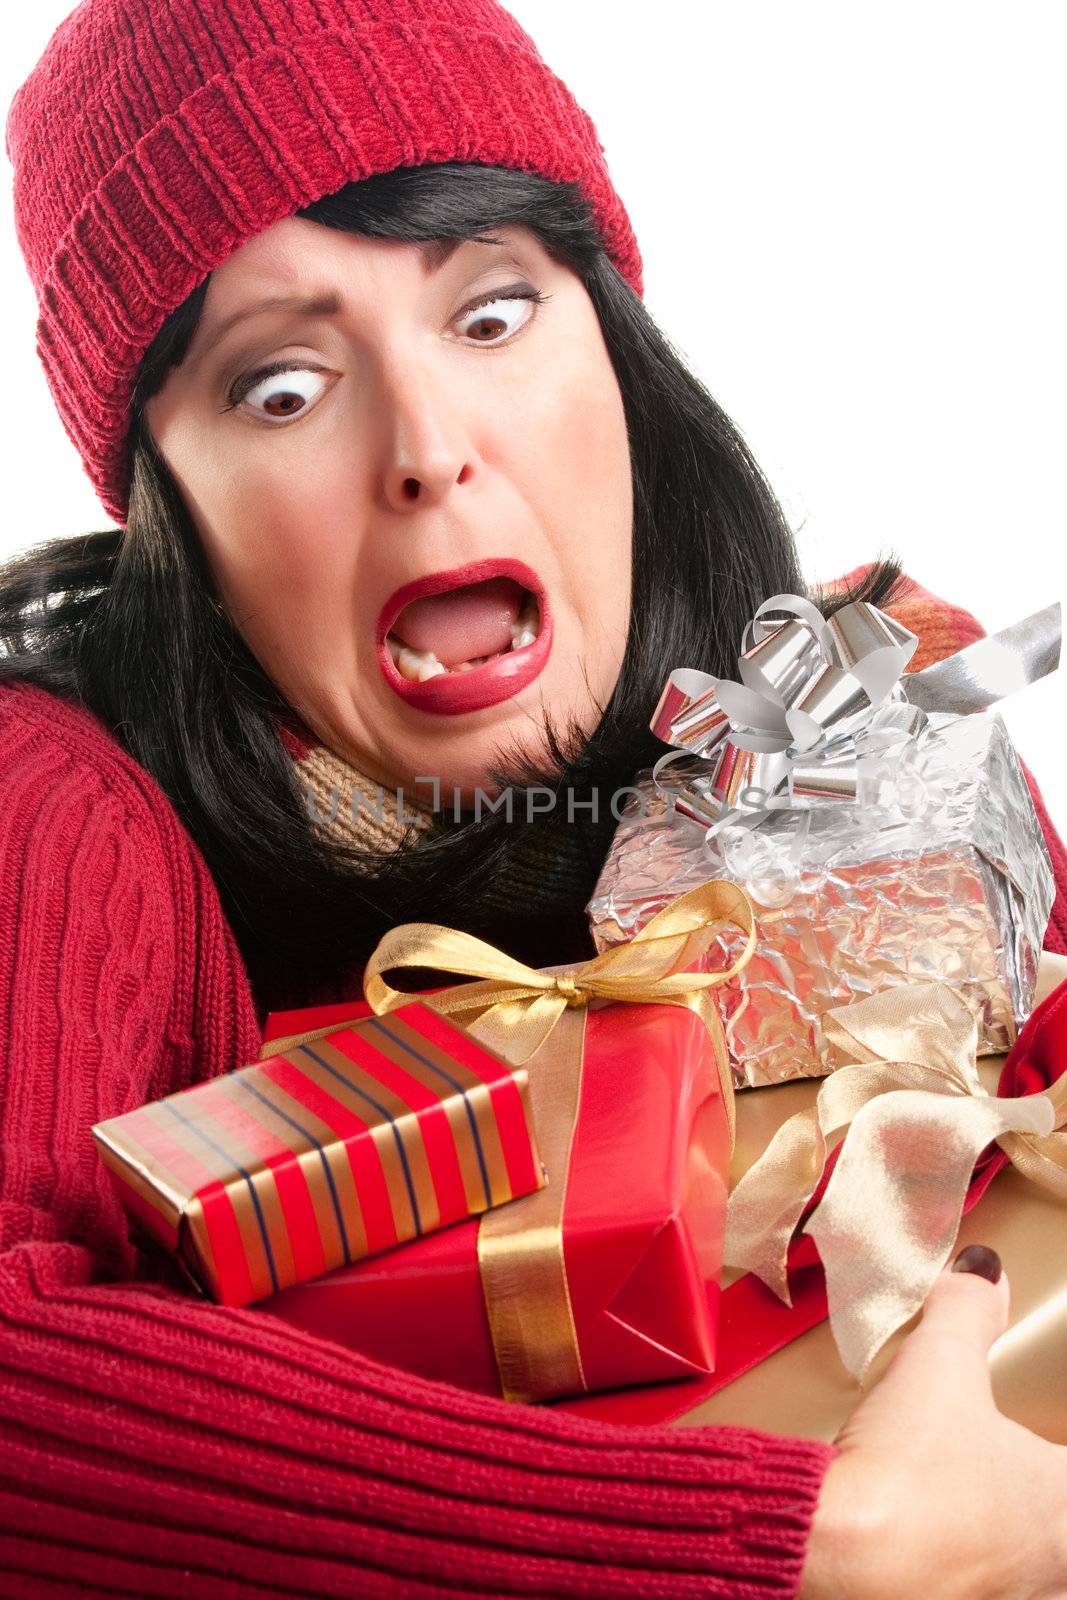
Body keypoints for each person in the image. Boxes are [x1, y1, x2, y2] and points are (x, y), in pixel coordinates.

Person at [1, 1, 1065, 1595]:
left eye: (492, 315)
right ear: (171, 512)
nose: (427, 451)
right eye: (280, 389)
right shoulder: (48, 796)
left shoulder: (872, 728)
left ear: (619, 356)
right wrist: (814, 1551)